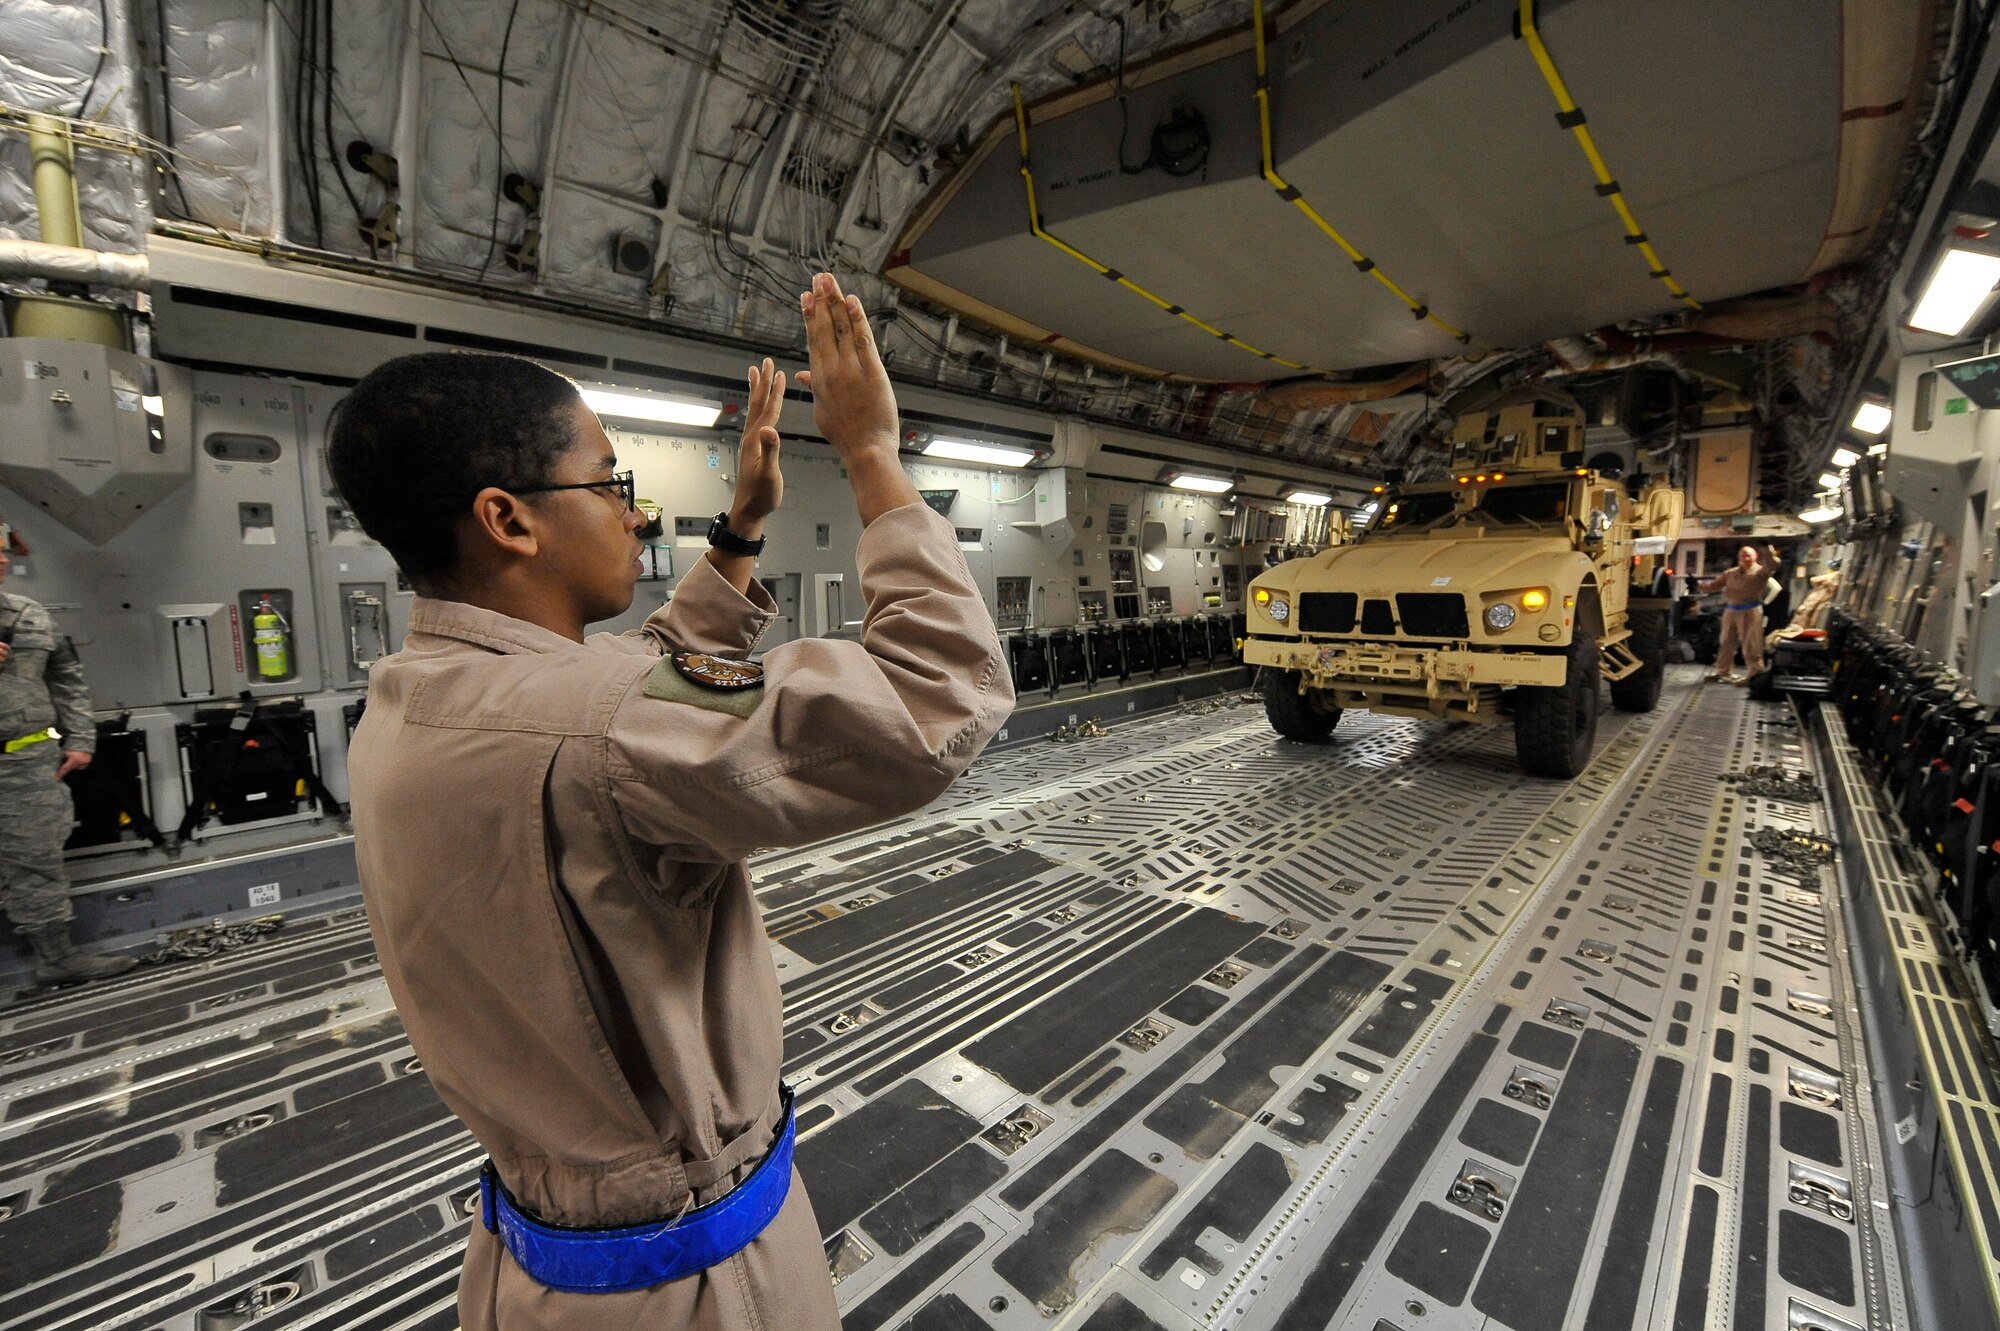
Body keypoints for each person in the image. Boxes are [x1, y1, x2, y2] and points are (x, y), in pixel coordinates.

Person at [329, 272, 1011, 1330]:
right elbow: (936, 698)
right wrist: (873, 456)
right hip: (694, 1283)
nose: (636, 510)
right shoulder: (592, 725)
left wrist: (738, 532)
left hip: (534, 1265)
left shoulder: (413, 699)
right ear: (507, 519)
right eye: (608, 482)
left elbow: (618, 692)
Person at [0, 518, 136, 984]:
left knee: (36, 861)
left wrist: (79, 740)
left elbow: (68, 679)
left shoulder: (30, 617)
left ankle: (56, 958)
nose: (1, 558)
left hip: (23, 766)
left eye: (3, 550)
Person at [1700, 543, 1780, 684]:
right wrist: (1698, 585)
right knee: (1726, 643)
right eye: (1743, 555)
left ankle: (1755, 675)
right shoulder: (1730, 573)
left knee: (1751, 643)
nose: (1746, 558)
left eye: (1749, 555)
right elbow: (1712, 587)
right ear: (1739, 558)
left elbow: (1773, 566)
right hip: (1731, 610)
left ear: (1755, 557)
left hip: (1750, 611)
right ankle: (1722, 672)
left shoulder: (1761, 572)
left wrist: (1770, 554)